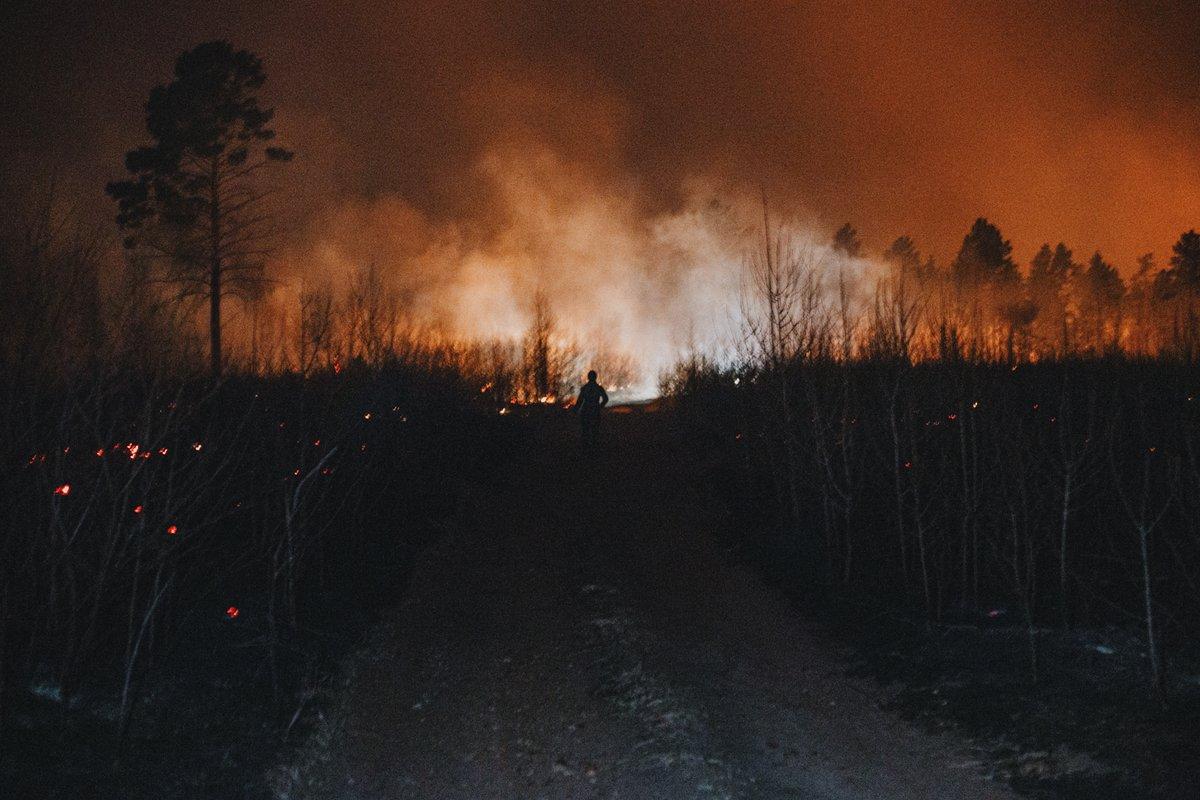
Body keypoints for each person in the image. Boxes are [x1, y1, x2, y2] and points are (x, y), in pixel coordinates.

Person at [575, 370, 609, 446]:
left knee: (585, 430)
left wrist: (575, 410)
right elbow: (606, 399)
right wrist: (600, 406)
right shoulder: (599, 388)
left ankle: (585, 448)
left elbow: (580, 401)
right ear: (595, 377)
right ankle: (594, 447)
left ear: (588, 377)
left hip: (586, 410)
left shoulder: (584, 388)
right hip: (595, 410)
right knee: (595, 430)